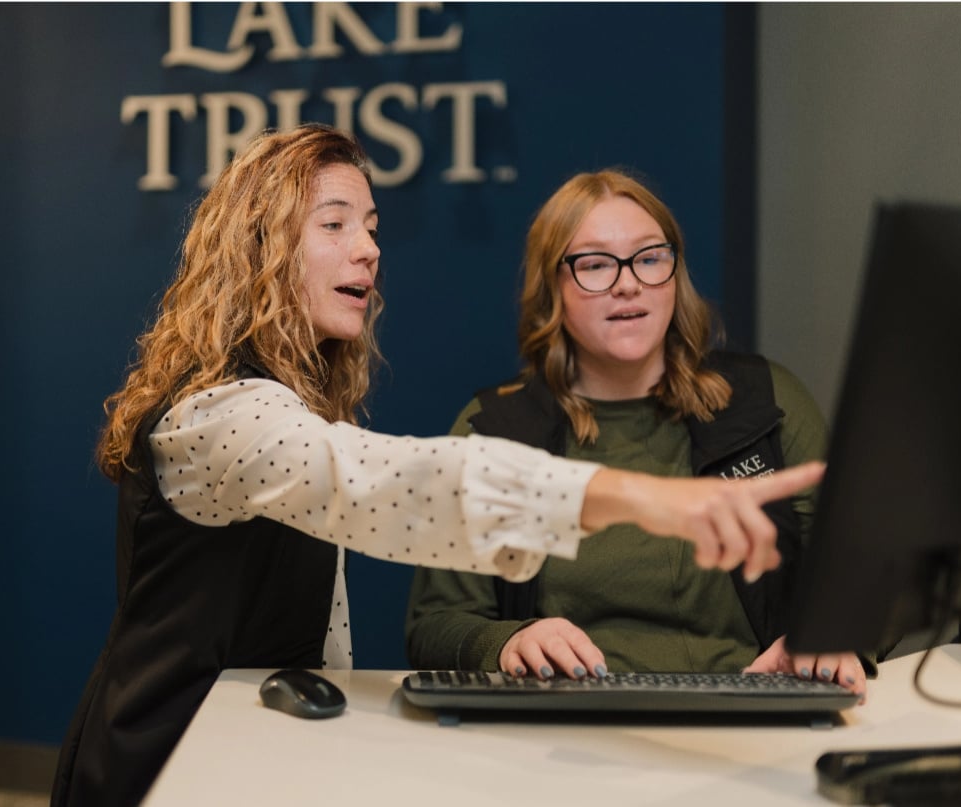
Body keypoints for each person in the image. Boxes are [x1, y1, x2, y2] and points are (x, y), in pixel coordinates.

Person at [51, 128, 824, 807]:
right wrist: (642, 498)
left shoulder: (287, 401)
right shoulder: (222, 416)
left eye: (373, 226)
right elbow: (390, 483)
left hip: (253, 753)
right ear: (260, 246)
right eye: (336, 223)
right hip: (166, 766)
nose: (370, 247)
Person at [405, 168, 872, 698]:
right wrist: (508, 642)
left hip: (751, 715)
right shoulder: (495, 430)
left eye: (650, 258)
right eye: (596, 264)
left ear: (675, 273)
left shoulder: (768, 401)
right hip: (566, 734)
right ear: (551, 287)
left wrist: (832, 638)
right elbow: (436, 625)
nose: (628, 283)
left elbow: (860, 578)